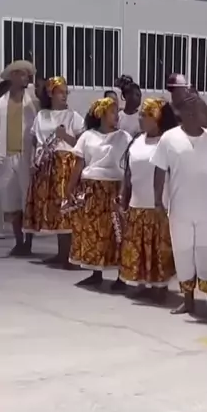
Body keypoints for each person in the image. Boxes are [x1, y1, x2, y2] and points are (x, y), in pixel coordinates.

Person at [151, 92, 207, 319]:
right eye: (201, 111)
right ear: (188, 114)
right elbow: (159, 171)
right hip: (180, 210)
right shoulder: (169, 138)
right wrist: (157, 202)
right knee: (183, 253)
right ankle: (187, 301)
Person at [66, 97, 131, 287]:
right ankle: (96, 273)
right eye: (112, 112)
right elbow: (79, 164)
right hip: (92, 189)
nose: (116, 115)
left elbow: (128, 167)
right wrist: (70, 187)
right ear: (101, 114)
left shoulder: (124, 137)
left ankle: (121, 277)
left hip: (114, 188)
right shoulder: (87, 136)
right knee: (93, 231)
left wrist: (126, 191)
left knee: (116, 232)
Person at [23, 77, 84, 266]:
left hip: (65, 166)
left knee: (64, 208)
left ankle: (68, 255)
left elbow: (82, 144)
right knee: (53, 210)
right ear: (51, 94)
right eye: (60, 92)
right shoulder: (42, 115)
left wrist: (64, 136)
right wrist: (33, 161)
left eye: (66, 92)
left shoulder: (73, 116)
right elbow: (35, 142)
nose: (64, 96)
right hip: (45, 165)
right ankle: (61, 253)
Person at [119, 98, 176, 298]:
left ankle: (160, 286)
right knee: (139, 248)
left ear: (157, 118)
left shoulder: (167, 142)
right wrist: (123, 196)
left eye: (145, 115)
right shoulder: (137, 140)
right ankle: (142, 282)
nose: (140, 118)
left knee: (159, 249)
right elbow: (128, 172)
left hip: (159, 206)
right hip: (137, 203)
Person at [0, 60, 38, 255]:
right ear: (13, 76)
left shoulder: (33, 103)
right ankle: (18, 241)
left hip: (26, 157)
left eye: (27, 75)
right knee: (11, 201)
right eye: (22, 74)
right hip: (6, 156)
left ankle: (28, 243)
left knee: (27, 201)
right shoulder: (0, 104)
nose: (26, 78)